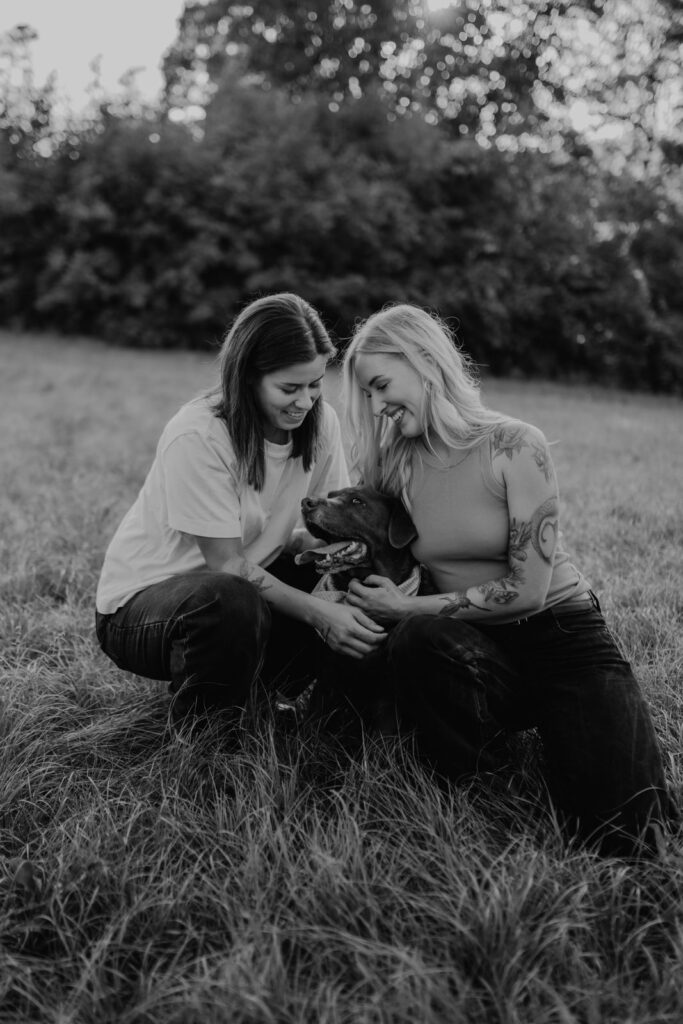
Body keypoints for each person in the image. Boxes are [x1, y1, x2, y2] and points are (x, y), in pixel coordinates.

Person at [339, 302, 672, 856]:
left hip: (561, 636)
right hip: (469, 644)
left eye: (381, 386)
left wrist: (405, 608)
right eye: (367, 395)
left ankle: (572, 733)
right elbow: (363, 536)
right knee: (418, 640)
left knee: (630, 835)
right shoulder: (393, 461)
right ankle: (479, 773)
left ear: (425, 362)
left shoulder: (515, 445)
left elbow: (527, 590)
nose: (376, 407)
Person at [95, 293, 385, 726]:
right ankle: (206, 733)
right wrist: (321, 614)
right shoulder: (199, 435)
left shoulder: (320, 424)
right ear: (248, 376)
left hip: (240, 587)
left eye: (314, 384)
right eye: (289, 388)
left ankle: (269, 701)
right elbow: (227, 564)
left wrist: (338, 556)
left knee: (333, 574)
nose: (305, 401)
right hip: (145, 607)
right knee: (231, 598)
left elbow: (321, 526)